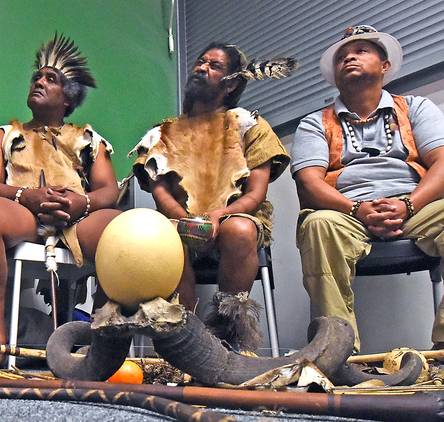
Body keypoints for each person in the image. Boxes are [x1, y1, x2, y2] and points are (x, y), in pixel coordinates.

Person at [0, 34, 120, 368]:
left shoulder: (90, 142)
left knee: (125, 230)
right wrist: (24, 196)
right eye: (36, 77)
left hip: (78, 220)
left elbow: (108, 191)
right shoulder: (2, 136)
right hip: (24, 217)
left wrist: (80, 203)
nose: (39, 82)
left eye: (51, 79)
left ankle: (100, 342)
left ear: (68, 99)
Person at [130, 43, 292, 353]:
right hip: (178, 223)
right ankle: (185, 338)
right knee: (167, 237)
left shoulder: (251, 127)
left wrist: (217, 216)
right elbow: (158, 188)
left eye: (214, 66)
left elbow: (256, 193)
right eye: (200, 62)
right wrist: (184, 219)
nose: (201, 68)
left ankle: (227, 334)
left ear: (231, 83)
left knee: (240, 230)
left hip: (233, 222)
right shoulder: (163, 132)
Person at [291, 25, 444, 353]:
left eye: (361, 51)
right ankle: (336, 353)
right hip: (348, 213)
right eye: (342, 57)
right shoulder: (315, 122)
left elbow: (442, 164)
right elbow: (309, 181)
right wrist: (355, 209)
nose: (348, 57)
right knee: (317, 224)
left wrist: (409, 205)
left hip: (413, 207)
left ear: (385, 66)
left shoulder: (415, 108)